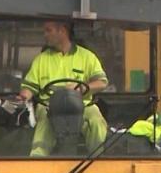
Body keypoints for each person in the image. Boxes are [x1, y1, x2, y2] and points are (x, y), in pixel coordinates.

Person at [18, 21, 109, 156]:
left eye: (48, 30)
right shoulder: (41, 60)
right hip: (49, 106)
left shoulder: (87, 57)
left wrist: (82, 89)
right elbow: (29, 87)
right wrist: (23, 97)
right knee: (44, 120)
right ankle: (37, 161)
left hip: (82, 105)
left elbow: (102, 82)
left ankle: (99, 162)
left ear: (62, 30)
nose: (45, 35)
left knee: (95, 120)